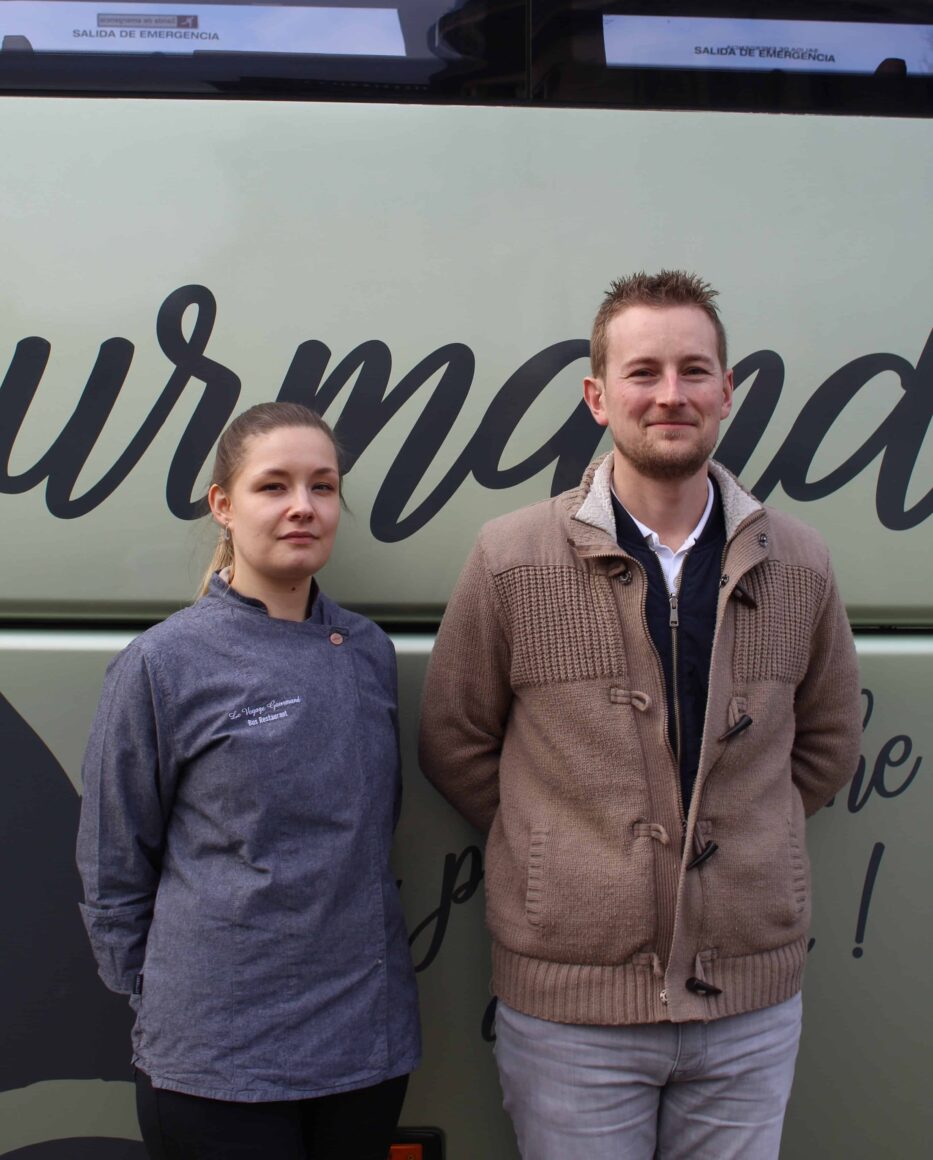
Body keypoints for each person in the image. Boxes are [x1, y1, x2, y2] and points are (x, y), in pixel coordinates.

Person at [419, 271, 861, 1160]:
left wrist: (747, 835)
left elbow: (825, 743)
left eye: (694, 371)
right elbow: (455, 739)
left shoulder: (799, 564)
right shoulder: (511, 559)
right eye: (642, 372)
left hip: (747, 1010)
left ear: (727, 391)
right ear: (597, 396)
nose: (670, 395)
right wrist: (558, 854)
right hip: (570, 1017)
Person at [78, 401, 420, 1160]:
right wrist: (176, 993)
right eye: (274, 487)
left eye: (323, 487)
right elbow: (112, 864)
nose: (303, 507)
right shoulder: (164, 665)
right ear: (224, 507)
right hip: (218, 1059)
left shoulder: (366, 651)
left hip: (363, 1044)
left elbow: (370, 836)